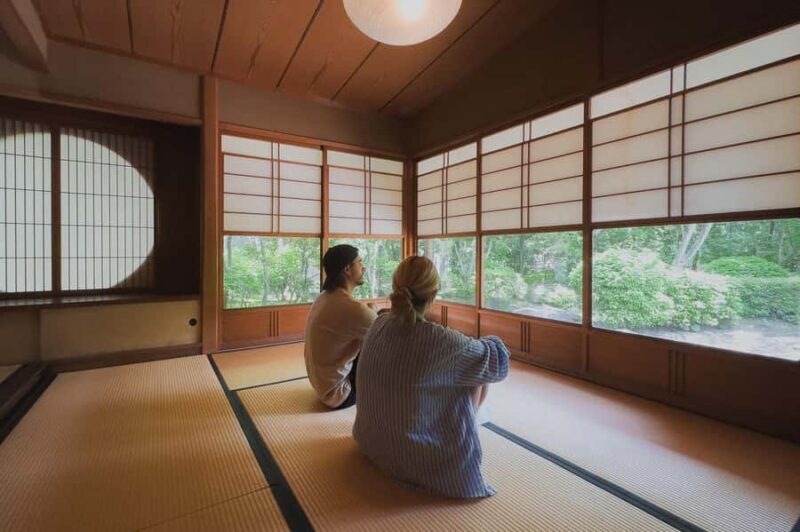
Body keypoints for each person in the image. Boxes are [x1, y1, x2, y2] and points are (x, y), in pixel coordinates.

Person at [353, 255, 510, 498]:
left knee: (464, 367)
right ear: (434, 294)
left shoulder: (379, 323)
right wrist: (480, 340)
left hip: (371, 442)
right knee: (478, 370)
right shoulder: (441, 340)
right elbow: (499, 362)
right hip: (416, 459)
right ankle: (470, 424)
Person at [304, 244, 377, 410]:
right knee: (388, 349)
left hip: (321, 385)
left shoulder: (324, 297)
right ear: (347, 269)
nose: (363, 267)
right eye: (360, 262)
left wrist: (372, 311)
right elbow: (387, 335)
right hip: (339, 393)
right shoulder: (351, 308)